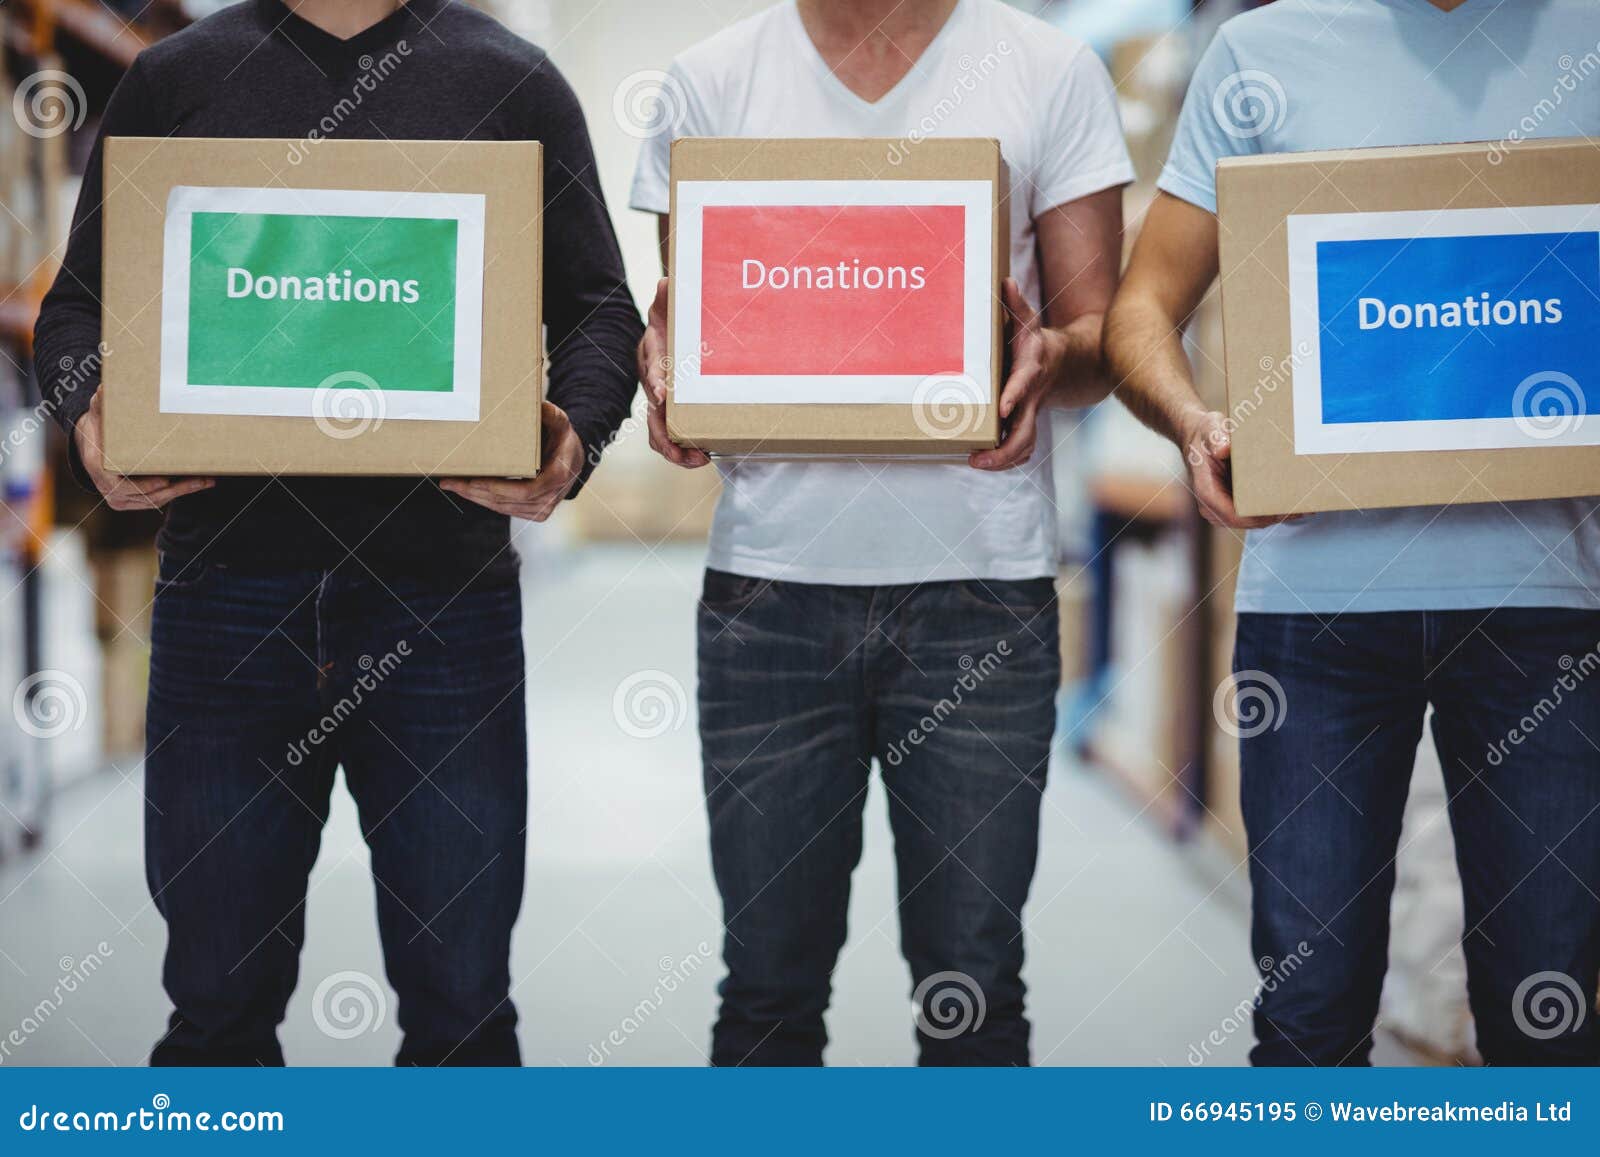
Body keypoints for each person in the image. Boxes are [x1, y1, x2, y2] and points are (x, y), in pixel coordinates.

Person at [34, 0, 642, 1065]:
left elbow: (598, 307)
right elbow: (78, 307)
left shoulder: (511, 80)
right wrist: (90, 417)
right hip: (224, 594)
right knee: (217, 1010)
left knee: (462, 1014)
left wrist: (573, 439)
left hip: (443, 601)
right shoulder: (176, 81)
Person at [632, 0, 1131, 1065]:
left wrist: (1049, 356)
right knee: (767, 987)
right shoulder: (713, 78)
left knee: (973, 991)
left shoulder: (1048, 71)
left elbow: (1101, 343)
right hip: (770, 592)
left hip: (980, 596)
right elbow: (700, 327)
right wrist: (673, 382)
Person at [1105, 0, 1600, 1066]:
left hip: (1548, 614)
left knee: (1547, 1020)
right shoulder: (1260, 53)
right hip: (1315, 619)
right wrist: (1194, 423)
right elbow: (1141, 303)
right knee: (1308, 1020)